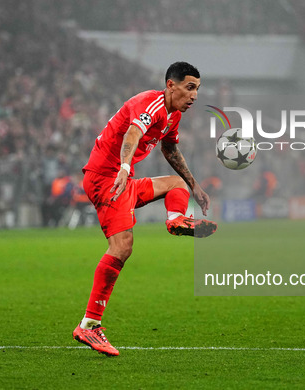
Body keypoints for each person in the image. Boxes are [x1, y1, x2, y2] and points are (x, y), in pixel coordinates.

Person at [72, 62, 217, 356]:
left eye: (198, 90)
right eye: (189, 88)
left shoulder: (172, 115)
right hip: (108, 179)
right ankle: (89, 325)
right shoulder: (150, 103)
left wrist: (195, 187)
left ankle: (177, 220)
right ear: (170, 85)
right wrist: (125, 167)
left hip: (122, 179)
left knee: (175, 185)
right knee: (122, 246)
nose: (194, 96)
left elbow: (170, 149)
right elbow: (132, 135)